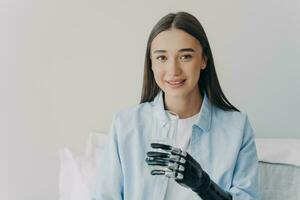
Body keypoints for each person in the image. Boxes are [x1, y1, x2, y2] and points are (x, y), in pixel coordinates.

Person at [93, 11, 259, 200]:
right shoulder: (125, 124)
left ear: (203, 59)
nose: (173, 70)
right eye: (162, 58)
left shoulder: (237, 128)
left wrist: (204, 185)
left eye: (185, 56)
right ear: (151, 64)